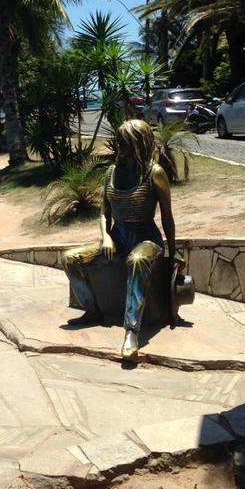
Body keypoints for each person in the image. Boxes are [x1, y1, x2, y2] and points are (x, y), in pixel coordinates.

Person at [62, 119, 176, 362]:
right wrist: (106, 238)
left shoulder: (154, 173)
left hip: (146, 238)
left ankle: (131, 331)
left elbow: (167, 216)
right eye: (119, 140)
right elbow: (104, 212)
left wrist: (173, 252)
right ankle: (92, 310)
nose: (119, 145)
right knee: (70, 258)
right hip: (117, 237)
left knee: (136, 260)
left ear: (139, 143)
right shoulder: (112, 172)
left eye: (125, 141)